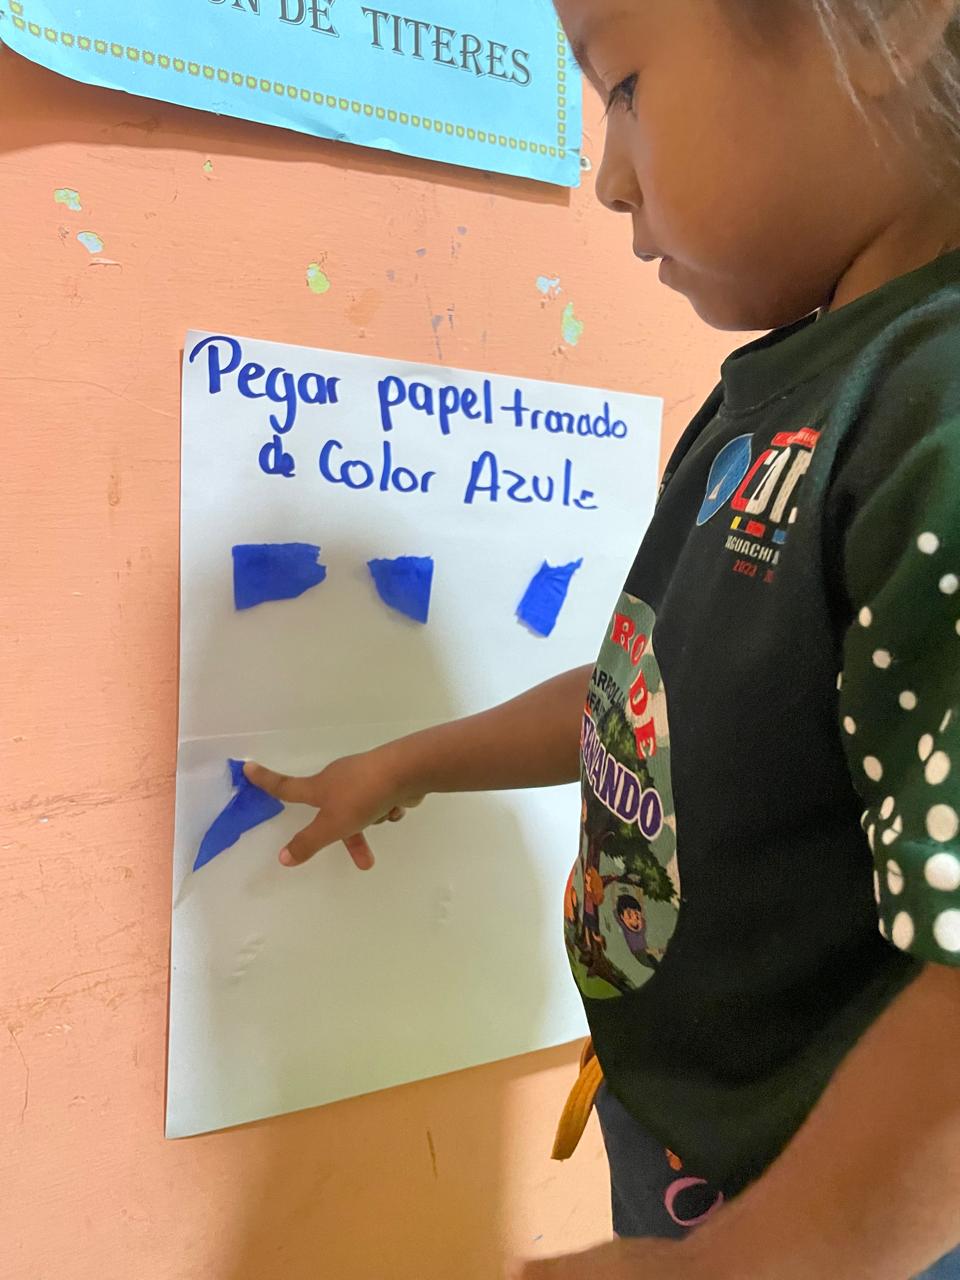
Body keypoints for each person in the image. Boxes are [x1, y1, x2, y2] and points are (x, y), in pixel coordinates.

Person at [244, 1, 960, 1274]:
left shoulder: (936, 417)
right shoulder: (779, 394)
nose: (609, 178)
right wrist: (410, 761)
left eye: (622, 84)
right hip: (692, 1147)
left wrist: (748, 1260)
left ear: (888, 21)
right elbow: (658, 695)